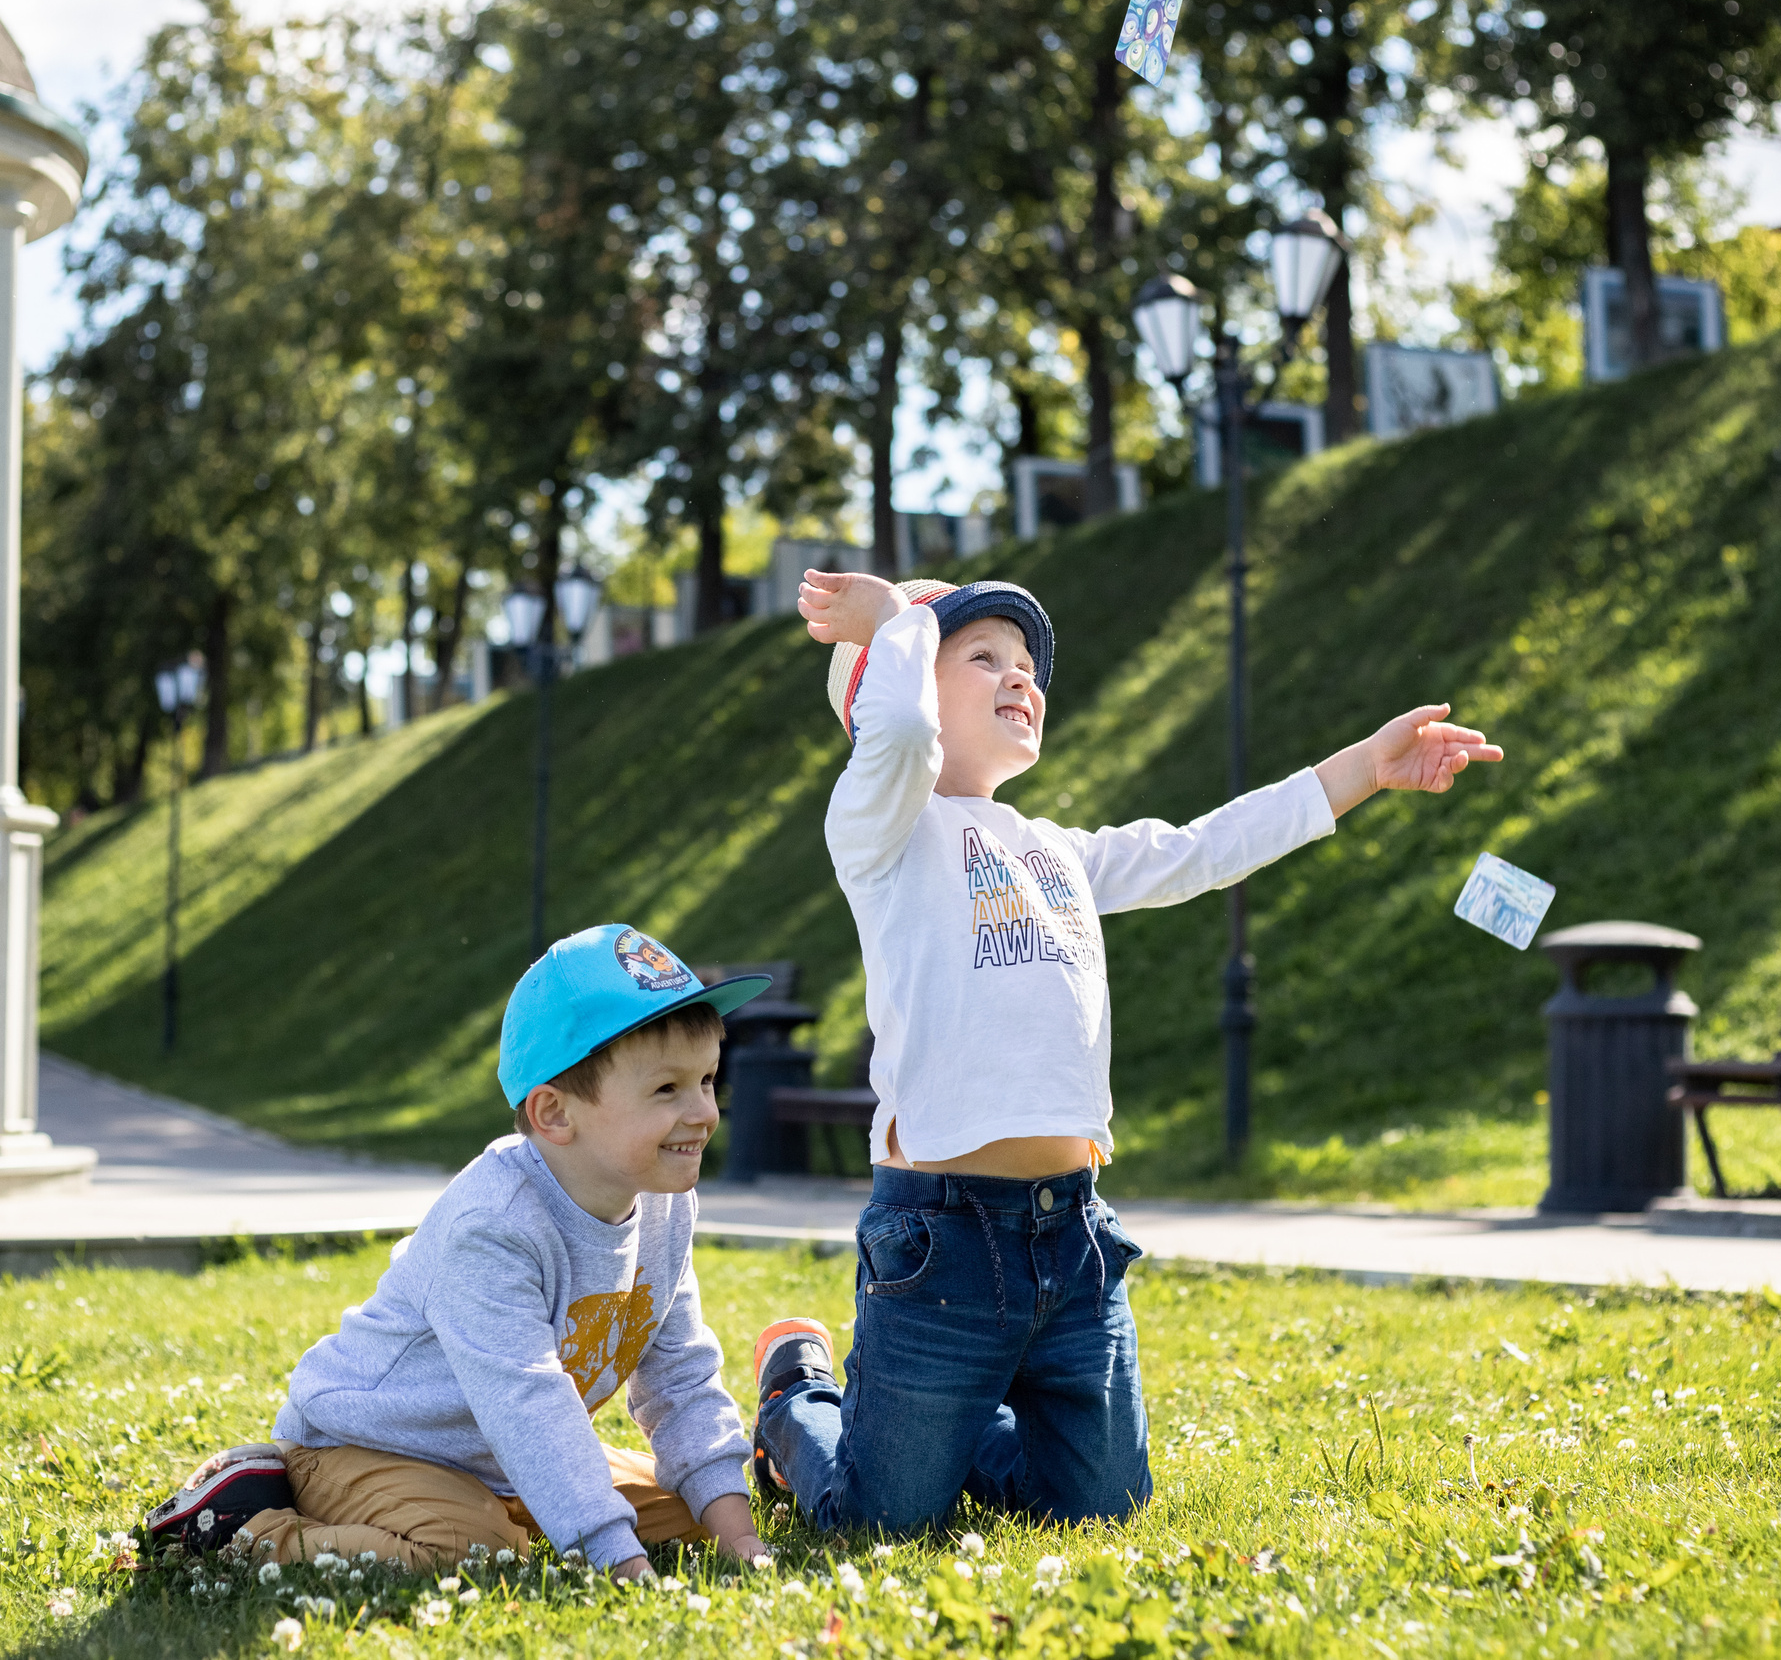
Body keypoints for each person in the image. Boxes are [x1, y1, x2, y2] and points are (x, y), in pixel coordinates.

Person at [749, 570, 1503, 1533]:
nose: (1020, 677)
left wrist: (1366, 765)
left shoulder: (1057, 848)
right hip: (938, 1242)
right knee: (879, 1522)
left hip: (1072, 1238)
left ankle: (959, 1425)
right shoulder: (880, 833)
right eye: (980, 657)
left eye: (1028, 665)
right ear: (889, 683)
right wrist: (897, 622)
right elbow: (898, 736)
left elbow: (1204, 848)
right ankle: (795, 1404)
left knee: (1100, 1508)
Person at [145, 924, 779, 1580]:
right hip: (366, 1447)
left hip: (500, 1462)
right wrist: (616, 1557)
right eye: (667, 1089)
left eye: (707, 1079)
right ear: (555, 1114)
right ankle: (239, 1523)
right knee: (481, 1551)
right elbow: (527, 1403)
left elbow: (680, 1378)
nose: (703, 1110)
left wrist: (738, 1537)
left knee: (687, 1508)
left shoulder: (664, 1203)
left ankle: (515, 1512)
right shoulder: (493, 1223)